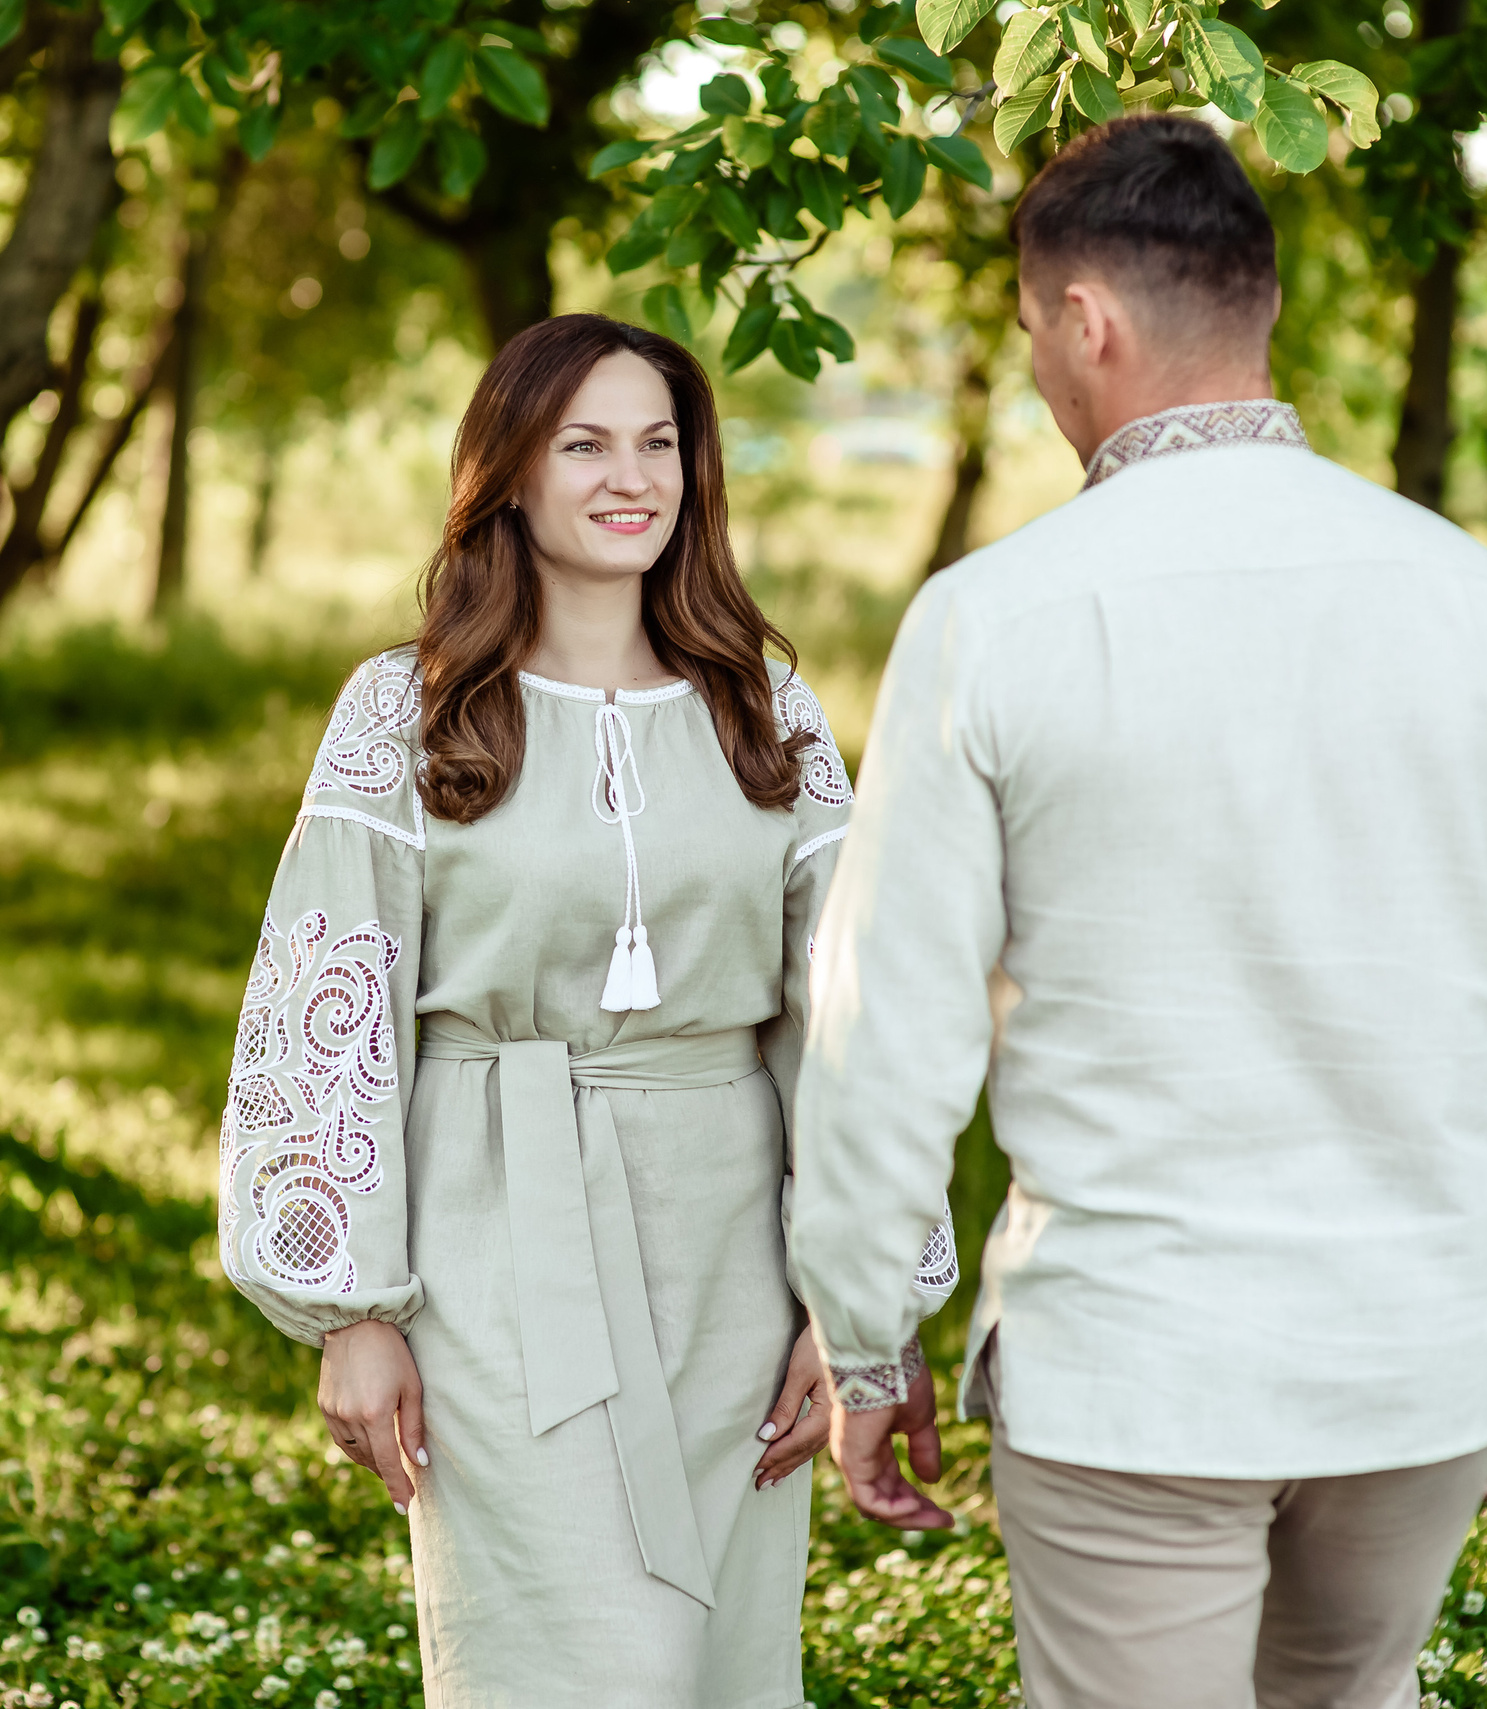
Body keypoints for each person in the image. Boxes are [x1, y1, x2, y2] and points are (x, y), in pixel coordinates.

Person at [787, 114, 1487, 1708]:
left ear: (1087, 320)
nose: (1041, 365)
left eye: (1036, 329)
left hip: (1135, 1368)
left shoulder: (989, 621)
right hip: (1418, 1347)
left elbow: (887, 1025)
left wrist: (864, 1336)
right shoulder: (1481, 602)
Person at [216, 312, 958, 1708]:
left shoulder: (767, 710)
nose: (633, 477)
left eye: (660, 444)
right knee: (568, 1664)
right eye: (587, 444)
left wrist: (849, 1304)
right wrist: (350, 1311)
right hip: (498, 1249)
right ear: (509, 473)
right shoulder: (411, 710)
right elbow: (326, 997)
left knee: (724, 1662)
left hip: (731, 1260)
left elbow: (853, 1019)